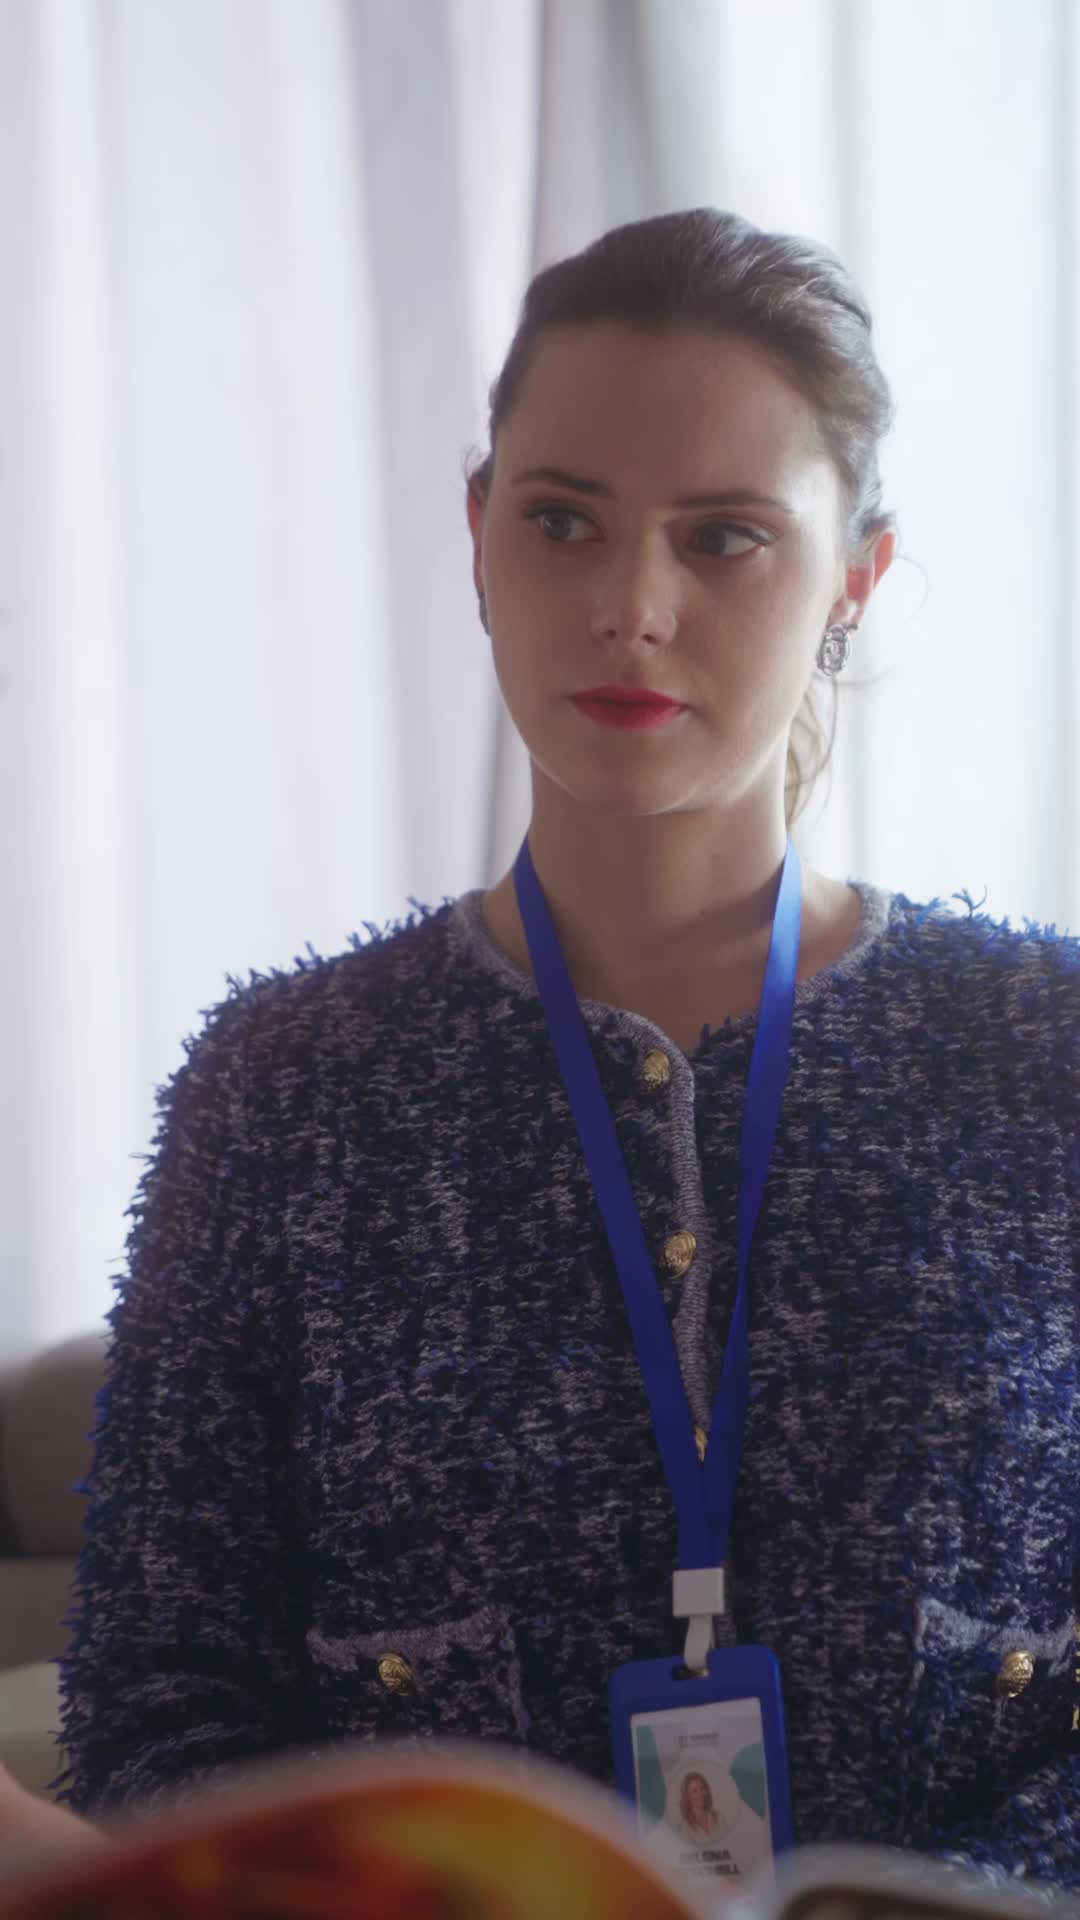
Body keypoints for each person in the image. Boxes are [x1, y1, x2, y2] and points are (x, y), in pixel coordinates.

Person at [26, 208, 1077, 1887]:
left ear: (854, 579)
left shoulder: (1042, 1054)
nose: (631, 608)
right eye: (564, 521)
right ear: (478, 537)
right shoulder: (285, 1091)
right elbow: (160, 1699)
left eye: (725, 539)